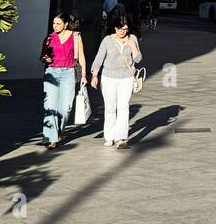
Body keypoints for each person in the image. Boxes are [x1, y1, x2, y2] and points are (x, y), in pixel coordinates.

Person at [91, 13, 142, 149]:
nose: (122, 32)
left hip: (126, 77)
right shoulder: (108, 40)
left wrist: (133, 46)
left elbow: (138, 59)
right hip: (108, 77)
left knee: (123, 107)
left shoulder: (132, 38)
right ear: (114, 28)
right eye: (119, 29)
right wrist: (95, 75)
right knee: (110, 107)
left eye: (124, 29)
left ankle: (121, 138)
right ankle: (109, 136)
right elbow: (99, 58)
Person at [41, 12, 88, 149]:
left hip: (68, 72)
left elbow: (82, 57)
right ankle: (51, 138)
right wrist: (46, 58)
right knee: (50, 105)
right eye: (54, 23)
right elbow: (43, 55)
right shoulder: (50, 37)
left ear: (66, 24)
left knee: (66, 107)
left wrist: (84, 75)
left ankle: (59, 131)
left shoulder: (75, 36)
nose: (55, 26)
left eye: (58, 24)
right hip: (52, 72)